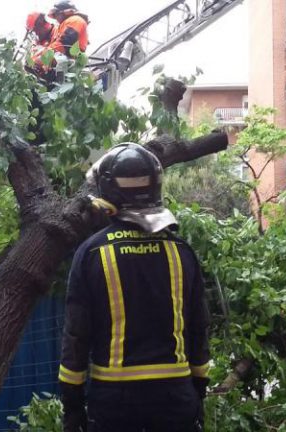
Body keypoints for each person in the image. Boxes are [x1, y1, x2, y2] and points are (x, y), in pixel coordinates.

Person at [59, 143, 211, 432]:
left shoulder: (92, 253)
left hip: (114, 402)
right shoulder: (182, 252)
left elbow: (76, 339)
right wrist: (198, 392)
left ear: (108, 191)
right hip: (176, 398)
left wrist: (73, 408)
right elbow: (199, 331)